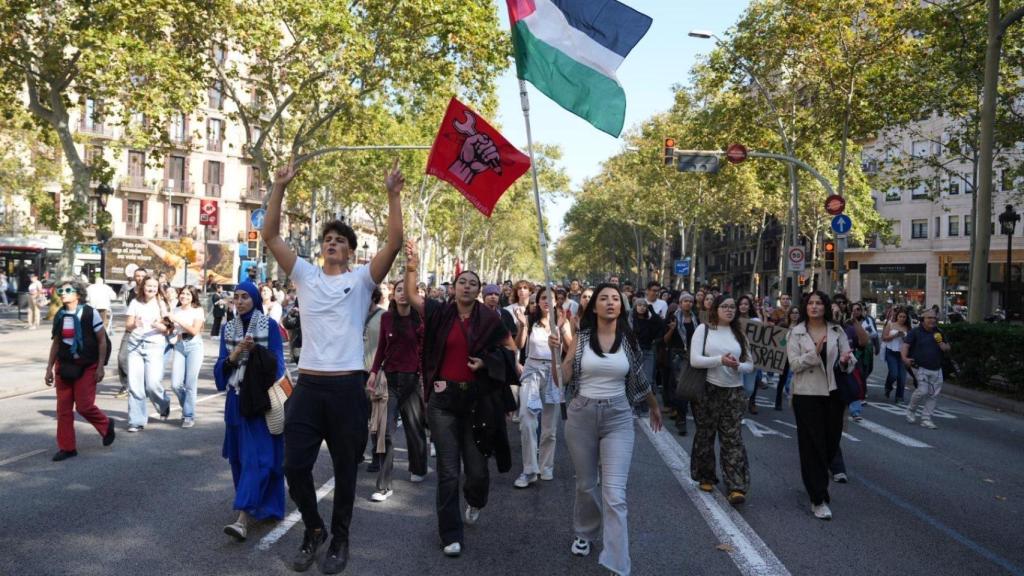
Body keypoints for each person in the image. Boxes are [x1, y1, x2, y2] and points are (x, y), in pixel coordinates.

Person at [262, 159, 404, 574]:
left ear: (350, 251)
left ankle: (340, 537)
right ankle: (314, 529)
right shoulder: (304, 275)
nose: (332, 243)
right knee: (294, 466)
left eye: (340, 240)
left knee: (345, 472)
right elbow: (270, 235)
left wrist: (393, 195)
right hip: (308, 388)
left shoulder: (361, 281)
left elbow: (394, 243)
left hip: (346, 390)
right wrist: (279, 187)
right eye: (327, 239)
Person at [404, 241, 516, 558]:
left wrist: (486, 363)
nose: (467, 286)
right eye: (462, 282)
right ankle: (450, 534)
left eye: (472, 283)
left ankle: (475, 500)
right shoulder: (440, 312)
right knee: (448, 471)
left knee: (477, 471)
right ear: (453, 288)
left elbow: (509, 350)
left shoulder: (490, 319)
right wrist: (411, 267)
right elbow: (411, 296)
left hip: (478, 403)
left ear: (479, 291)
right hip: (443, 403)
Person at [549, 283, 661, 576]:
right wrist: (554, 352)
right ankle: (584, 533)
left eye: (615, 299)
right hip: (581, 416)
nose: (610, 303)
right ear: (594, 307)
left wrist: (653, 405)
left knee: (615, 494)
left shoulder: (628, 339)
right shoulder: (582, 338)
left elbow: (638, 377)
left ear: (621, 306)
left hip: (618, 417)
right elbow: (562, 378)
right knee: (586, 485)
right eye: (604, 299)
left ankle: (617, 560)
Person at [215, 282, 287, 541]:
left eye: (245, 296)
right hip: (235, 401)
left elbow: (279, 365)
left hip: (258, 401)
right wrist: (234, 355)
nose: (240, 301)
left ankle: (243, 517)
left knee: (260, 459)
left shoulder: (269, 326)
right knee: (238, 459)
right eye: (236, 297)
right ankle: (260, 505)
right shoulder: (228, 328)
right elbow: (220, 369)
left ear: (255, 299)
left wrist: (256, 352)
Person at [786, 291, 855, 520]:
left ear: (825, 307)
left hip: (833, 393)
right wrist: (814, 354)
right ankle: (818, 497)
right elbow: (794, 365)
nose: (814, 307)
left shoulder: (837, 330)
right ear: (805, 307)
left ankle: (819, 483)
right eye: (810, 303)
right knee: (811, 446)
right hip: (807, 394)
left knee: (830, 444)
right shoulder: (796, 332)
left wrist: (846, 361)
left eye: (818, 303)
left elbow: (849, 359)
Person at [688, 294, 754, 505]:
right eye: (724, 306)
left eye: (732, 307)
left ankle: (736, 485)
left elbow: (750, 365)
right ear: (715, 309)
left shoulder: (739, 333)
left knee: (732, 438)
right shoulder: (704, 329)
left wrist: (737, 365)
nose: (729, 310)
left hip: (734, 392)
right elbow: (695, 360)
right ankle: (706, 476)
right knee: (705, 434)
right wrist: (720, 360)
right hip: (708, 389)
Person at [367, 280, 428, 502]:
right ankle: (384, 485)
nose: (403, 294)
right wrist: (374, 372)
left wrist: (424, 378)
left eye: (407, 290)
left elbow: (425, 351)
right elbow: (381, 348)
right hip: (390, 381)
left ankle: (418, 466)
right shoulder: (386, 318)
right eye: (399, 290)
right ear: (393, 295)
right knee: (385, 432)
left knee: (415, 429)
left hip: (413, 380)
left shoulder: (421, 319)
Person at [44, 279, 116, 461]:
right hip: (64, 365)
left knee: (84, 406)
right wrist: (49, 368)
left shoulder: (90, 313)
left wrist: (100, 366)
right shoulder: (60, 315)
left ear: (78, 294)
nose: (63, 293)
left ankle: (106, 424)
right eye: (60, 291)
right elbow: (56, 343)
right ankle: (67, 448)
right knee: (63, 410)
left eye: (68, 290)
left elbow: (102, 341)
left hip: (87, 365)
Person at [513, 286, 572, 488]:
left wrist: (562, 329)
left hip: (554, 373)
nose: (547, 301)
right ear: (538, 302)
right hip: (532, 372)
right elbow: (519, 345)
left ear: (556, 301)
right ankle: (529, 470)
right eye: (543, 298)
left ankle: (546, 466)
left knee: (549, 428)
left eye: (551, 298)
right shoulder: (530, 320)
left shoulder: (562, 322)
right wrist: (523, 326)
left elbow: (571, 348)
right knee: (527, 420)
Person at [125, 276, 172, 432]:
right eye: (148, 285)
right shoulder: (134, 303)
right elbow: (128, 326)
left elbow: (168, 330)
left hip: (154, 346)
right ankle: (136, 421)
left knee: (152, 384)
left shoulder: (162, 304)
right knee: (135, 385)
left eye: (154, 286)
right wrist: (134, 325)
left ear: (158, 288)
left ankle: (163, 403)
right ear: (142, 287)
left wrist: (157, 325)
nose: (151, 289)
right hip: (135, 346)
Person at [902, 309, 950, 429]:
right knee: (922, 391)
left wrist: (942, 344)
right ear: (922, 320)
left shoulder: (939, 332)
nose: (932, 320)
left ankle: (926, 419)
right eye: (929, 318)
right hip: (919, 367)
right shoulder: (915, 332)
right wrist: (904, 358)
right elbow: (905, 345)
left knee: (933, 394)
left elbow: (947, 347)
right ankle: (911, 410)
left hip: (936, 368)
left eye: (934, 318)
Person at [169, 285, 206, 428]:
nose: (184, 296)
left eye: (188, 294)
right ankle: (187, 406)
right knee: (175, 384)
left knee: (190, 384)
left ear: (193, 297)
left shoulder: (198, 310)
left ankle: (188, 415)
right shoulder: (176, 310)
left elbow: (194, 330)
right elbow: (172, 328)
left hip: (194, 346)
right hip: (179, 345)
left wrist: (177, 320)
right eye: (182, 293)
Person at [666, 292, 700, 435]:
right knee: (681, 388)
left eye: (690, 301)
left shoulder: (696, 319)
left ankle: (686, 417)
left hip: (694, 355)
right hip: (678, 356)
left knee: (692, 388)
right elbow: (665, 340)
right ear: (680, 303)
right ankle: (681, 420)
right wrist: (672, 329)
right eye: (685, 301)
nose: (688, 303)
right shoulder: (672, 318)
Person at [737, 294, 763, 415]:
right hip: (737, 359)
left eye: (746, 304)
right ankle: (738, 412)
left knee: (749, 388)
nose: (743, 306)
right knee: (738, 386)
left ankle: (744, 403)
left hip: (751, 358)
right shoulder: (733, 321)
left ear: (749, 306)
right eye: (741, 304)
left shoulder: (756, 321)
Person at [882, 306, 911, 404]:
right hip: (891, 351)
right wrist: (895, 335)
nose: (902, 318)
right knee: (893, 373)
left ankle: (899, 397)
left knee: (902, 377)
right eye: (900, 316)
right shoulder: (890, 325)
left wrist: (904, 338)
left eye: (904, 317)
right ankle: (888, 386)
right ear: (897, 317)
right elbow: (884, 338)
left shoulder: (908, 328)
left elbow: (910, 342)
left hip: (902, 354)